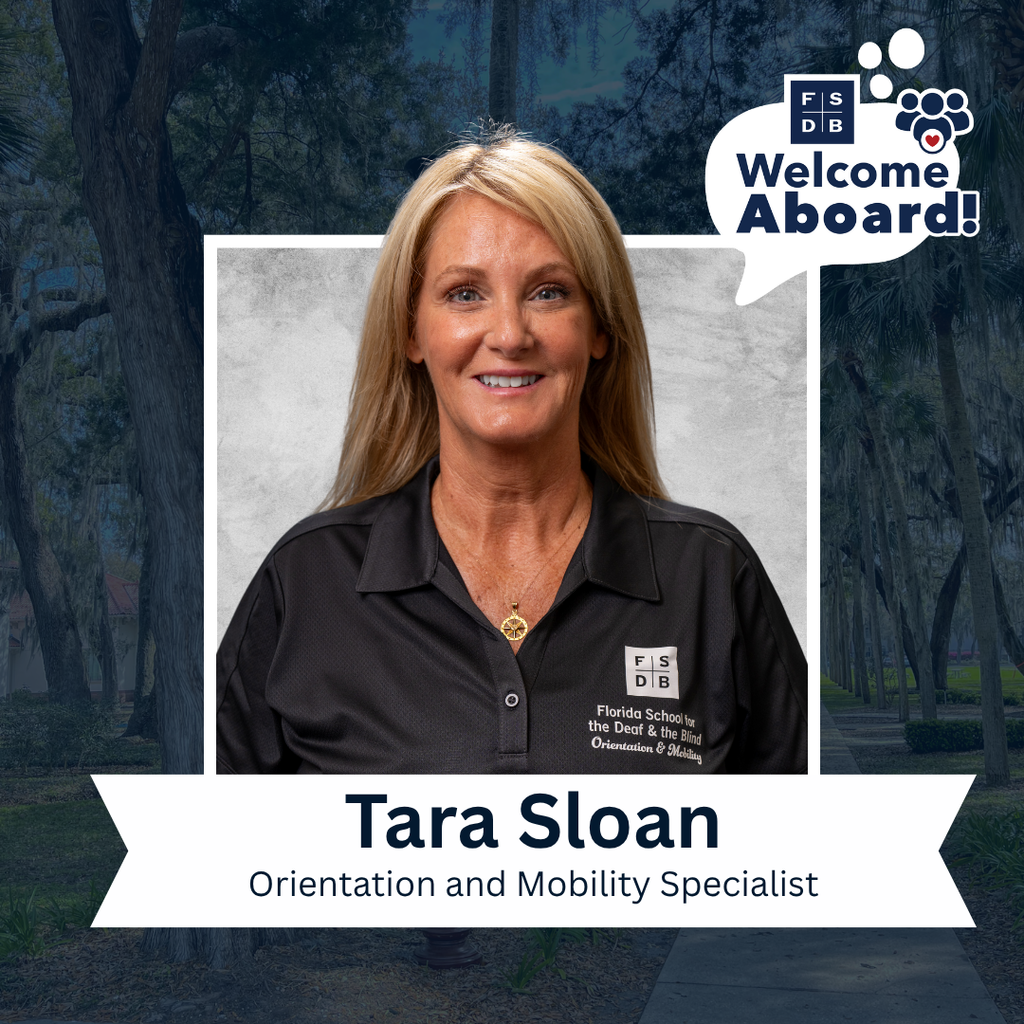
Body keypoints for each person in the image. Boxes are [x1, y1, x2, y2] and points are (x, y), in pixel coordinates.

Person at [216, 134, 807, 775]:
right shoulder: (305, 583)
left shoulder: (713, 578)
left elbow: (808, 865)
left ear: (602, 329)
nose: (509, 335)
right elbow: (210, 867)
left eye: (548, 292)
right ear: (411, 331)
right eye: (465, 294)